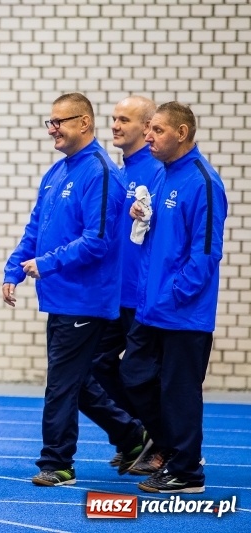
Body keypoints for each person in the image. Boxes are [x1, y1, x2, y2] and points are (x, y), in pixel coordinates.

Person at [2, 93, 150, 487]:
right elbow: (36, 228)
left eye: (59, 122)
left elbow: (98, 240)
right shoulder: (57, 173)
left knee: (62, 384)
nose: (53, 130)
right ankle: (132, 436)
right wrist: (13, 269)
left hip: (87, 298)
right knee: (79, 383)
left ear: (84, 123)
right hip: (61, 297)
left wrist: (46, 264)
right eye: (49, 123)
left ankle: (57, 462)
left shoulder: (99, 172)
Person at [121, 102, 228, 494]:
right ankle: (174, 449)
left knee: (179, 393)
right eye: (148, 129)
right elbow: (163, 242)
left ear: (181, 133)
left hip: (184, 313)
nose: (148, 136)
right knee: (134, 377)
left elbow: (205, 254)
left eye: (158, 130)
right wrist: (142, 218)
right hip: (151, 308)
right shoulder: (164, 177)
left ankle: (187, 473)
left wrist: (176, 294)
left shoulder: (204, 182)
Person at [91, 96, 164, 472]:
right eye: (114, 119)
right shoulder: (120, 171)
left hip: (142, 294)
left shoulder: (156, 170)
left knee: (140, 375)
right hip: (114, 293)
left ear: (147, 127)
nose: (116, 125)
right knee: (96, 365)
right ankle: (136, 433)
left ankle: (163, 443)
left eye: (125, 120)